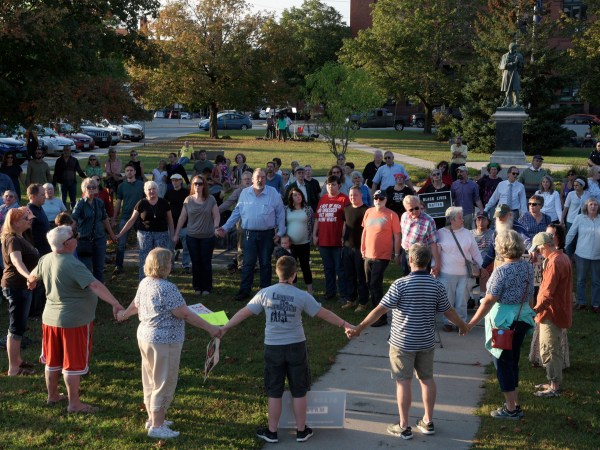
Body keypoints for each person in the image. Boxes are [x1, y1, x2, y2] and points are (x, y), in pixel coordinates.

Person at [220, 255, 354, 444]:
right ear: (294, 275)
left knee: (274, 391)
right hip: (296, 347)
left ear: (277, 272)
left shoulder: (265, 293)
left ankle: (272, 431)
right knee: (299, 390)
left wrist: (225, 327)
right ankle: (301, 431)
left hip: (272, 348)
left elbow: (245, 311)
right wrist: (345, 324)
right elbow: (324, 314)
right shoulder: (302, 296)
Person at [347, 243, 468, 440]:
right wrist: (463, 325)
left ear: (410, 260)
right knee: (427, 380)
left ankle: (404, 426)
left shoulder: (400, 284)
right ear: (428, 261)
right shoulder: (436, 285)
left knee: (403, 382)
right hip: (426, 341)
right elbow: (448, 310)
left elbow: (380, 309)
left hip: (402, 343)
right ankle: (428, 421)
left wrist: (359, 328)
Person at [116, 247, 220, 438]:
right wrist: (211, 328)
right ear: (164, 265)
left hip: (145, 336)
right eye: (170, 262)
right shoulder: (167, 288)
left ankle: (153, 417)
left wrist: (123, 315)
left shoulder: (145, 282)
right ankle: (157, 426)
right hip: (165, 341)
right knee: (164, 382)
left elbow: (135, 305)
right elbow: (185, 314)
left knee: (150, 379)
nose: (172, 265)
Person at [28, 225, 124, 412]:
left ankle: (53, 395)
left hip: (50, 320)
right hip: (74, 322)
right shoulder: (72, 264)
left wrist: (31, 283)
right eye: (74, 236)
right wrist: (116, 303)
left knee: (52, 360)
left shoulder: (45, 259)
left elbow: (32, 277)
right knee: (72, 363)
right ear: (67, 244)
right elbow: (94, 286)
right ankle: (74, 404)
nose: (77, 238)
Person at [466, 230, 536, 420]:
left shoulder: (501, 271)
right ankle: (514, 401)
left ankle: (511, 409)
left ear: (501, 247)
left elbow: (489, 300)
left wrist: (471, 323)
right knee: (513, 361)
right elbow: (530, 293)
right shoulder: (528, 267)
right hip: (522, 317)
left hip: (504, 323)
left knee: (502, 363)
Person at [216, 168, 286, 301]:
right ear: (252, 179)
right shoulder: (244, 193)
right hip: (249, 234)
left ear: (266, 178)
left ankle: (265, 292)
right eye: (257, 177)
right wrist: (225, 227)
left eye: (263, 177)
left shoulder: (273, 193)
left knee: (265, 263)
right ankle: (244, 291)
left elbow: (280, 214)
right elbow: (236, 213)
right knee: (248, 263)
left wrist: (281, 232)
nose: (260, 179)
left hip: (267, 234)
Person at [529, 232, 573, 397]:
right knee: (553, 348)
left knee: (549, 349)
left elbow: (547, 293)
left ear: (544, 247)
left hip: (551, 313)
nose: (539, 254)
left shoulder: (554, 262)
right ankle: (552, 381)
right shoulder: (563, 258)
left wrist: (535, 310)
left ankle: (553, 387)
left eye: (539, 250)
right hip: (558, 311)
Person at [2, 207, 39, 376]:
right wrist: (29, 277)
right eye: (26, 218)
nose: (30, 220)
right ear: (15, 222)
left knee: (20, 325)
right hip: (16, 285)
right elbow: (17, 262)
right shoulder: (12, 240)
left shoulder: (19, 237)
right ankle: (14, 368)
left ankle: (17, 360)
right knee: (16, 327)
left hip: (21, 286)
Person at [436, 207, 483, 331]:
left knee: (462, 300)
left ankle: (461, 323)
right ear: (451, 219)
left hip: (465, 274)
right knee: (448, 300)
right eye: (460, 217)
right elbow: (436, 254)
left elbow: (475, 253)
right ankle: (448, 322)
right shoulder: (440, 233)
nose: (463, 219)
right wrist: (434, 267)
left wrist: (481, 266)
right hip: (446, 274)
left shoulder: (467, 234)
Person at [117, 181, 174, 280]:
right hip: (144, 234)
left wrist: (173, 235)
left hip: (161, 233)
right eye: (149, 189)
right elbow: (131, 220)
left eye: (154, 189)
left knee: (160, 258)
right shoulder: (141, 203)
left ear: (157, 190)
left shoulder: (164, 203)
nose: (152, 191)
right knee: (145, 258)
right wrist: (120, 234)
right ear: (145, 191)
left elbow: (170, 220)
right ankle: (143, 282)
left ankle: (161, 281)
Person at [361, 189, 401, 327]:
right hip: (368, 254)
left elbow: (397, 235)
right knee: (369, 283)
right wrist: (363, 248)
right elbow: (365, 231)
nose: (378, 200)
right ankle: (375, 312)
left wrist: (396, 254)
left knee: (375, 284)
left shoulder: (392, 215)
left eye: (381, 198)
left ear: (386, 200)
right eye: (376, 198)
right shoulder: (368, 212)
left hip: (382, 255)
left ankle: (381, 317)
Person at [173, 175, 219, 295]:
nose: (197, 186)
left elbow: (216, 215)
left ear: (204, 185)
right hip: (192, 236)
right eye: (195, 184)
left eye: (200, 183)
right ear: (192, 185)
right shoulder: (188, 200)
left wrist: (216, 227)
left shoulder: (211, 199)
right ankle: (197, 287)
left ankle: (207, 287)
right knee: (195, 262)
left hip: (208, 236)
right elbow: (182, 218)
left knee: (206, 262)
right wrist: (176, 234)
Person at [72, 177, 117, 282]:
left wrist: (112, 235)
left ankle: (99, 291)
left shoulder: (99, 203)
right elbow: (73, 220)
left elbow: (105, 219)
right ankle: (87, 291)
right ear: (84, 189)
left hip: (99, 239)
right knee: (86, 267)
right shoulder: (80, 203)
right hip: (84, 240)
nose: (92, 189)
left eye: (94, 187)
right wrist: (67, 234)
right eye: (89, 187)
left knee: (99, 267)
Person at [313, 175, 350, 301]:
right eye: (328, 184)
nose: (330, 187)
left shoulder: (344, 199)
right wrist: (314, 234)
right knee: (328, 268)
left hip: (337, 241)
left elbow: (346, 221)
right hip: (323, 240)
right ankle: (330, 292)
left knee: (340, 269)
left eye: (333, 184)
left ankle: (344, 294)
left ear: (339, 185)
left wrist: (344, 236)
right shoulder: (323, 199)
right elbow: (318, 218)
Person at [565, 197, 600, 312]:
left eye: (595, 204)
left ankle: (596, 304)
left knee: (596, 281)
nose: (593, 206)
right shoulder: (580, 218)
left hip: (597, 256)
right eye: (591, 204)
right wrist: (564, 247)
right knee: (581, 280)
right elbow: (571, 234)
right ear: (586, 206)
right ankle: (581, 302)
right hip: (581, 254)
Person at [112, 164, 145, 276]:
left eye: (131, 170)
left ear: (135, 172)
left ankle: (144, 266)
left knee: (142, 244)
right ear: (125, 173)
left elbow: (146, 201)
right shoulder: (121, 186)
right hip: (125, 217)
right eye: (127, 171)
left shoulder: (141, 185)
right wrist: (114, 218)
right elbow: (118, 203)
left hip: (140, 218)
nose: (129, 172)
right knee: (121, 244)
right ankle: (118, 266)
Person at [218, 170, 253, 273]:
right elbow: (227, 203)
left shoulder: (257, 190)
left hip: (256, 221)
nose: (247, 181)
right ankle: (241, 264)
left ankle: (255, 265)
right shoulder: (238, 191)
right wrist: (215, 211)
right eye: (245, 179)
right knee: (241, 243)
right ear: (241, 181)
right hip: (242, 220)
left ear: (253, 180)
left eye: (249, 179)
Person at [341, 186, 369, 311]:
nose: (353, 197)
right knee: (349, 275)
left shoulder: (367, 210)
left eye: (355, 195)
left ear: (361, 195)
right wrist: (343, 238)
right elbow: (345, 225)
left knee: (361, 276)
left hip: (360, 249)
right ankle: (351, 300)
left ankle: (363, 302)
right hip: (347, 247)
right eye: (351, 195)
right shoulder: (346, 208)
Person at [400, 195, 440, 276]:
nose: (414, 211)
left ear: (419, 205)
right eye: (411, 210)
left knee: (420, 279)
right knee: (406, 277)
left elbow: (433, 244)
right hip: (406, 252)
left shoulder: (429, 221)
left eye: (417, 208)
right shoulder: (404, 216)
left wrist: (437, 263)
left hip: (420, 255)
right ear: (406, 209)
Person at [284, 187, 314, 294]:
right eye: (295, 195)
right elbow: (282, 224)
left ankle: (310, 291)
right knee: (292, 267)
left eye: (299, 194)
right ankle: (293, 290)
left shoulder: (308, 209)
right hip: (290, 244)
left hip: (304, 243)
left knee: (305, 266)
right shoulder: (286, 209)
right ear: (291, 197)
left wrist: (312, 237)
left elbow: (312, 224)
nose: (298, 197)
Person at [165, 174, 191, 273]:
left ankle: (186, 265)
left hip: (185, 224)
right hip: (171, 224)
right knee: (170, 248)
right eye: (173, 181)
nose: (174, 182)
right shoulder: (169, 192)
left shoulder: (186, 192)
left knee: (186, 247)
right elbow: (165, 206)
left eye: (176, 180)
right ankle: (170, 266)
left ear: (181, 181)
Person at [499, 42, 525, 108]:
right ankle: (509, 103)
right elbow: (502, 66)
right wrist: (513, 63)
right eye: (513, 48)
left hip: (515, 73)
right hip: (506, 73)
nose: (513, 50)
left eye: (514, 49)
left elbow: (522, 66)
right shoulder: (505, 56)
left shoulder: (519, 55)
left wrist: (518, 62)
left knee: (515, 89)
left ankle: (516, 103)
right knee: (507, 89)